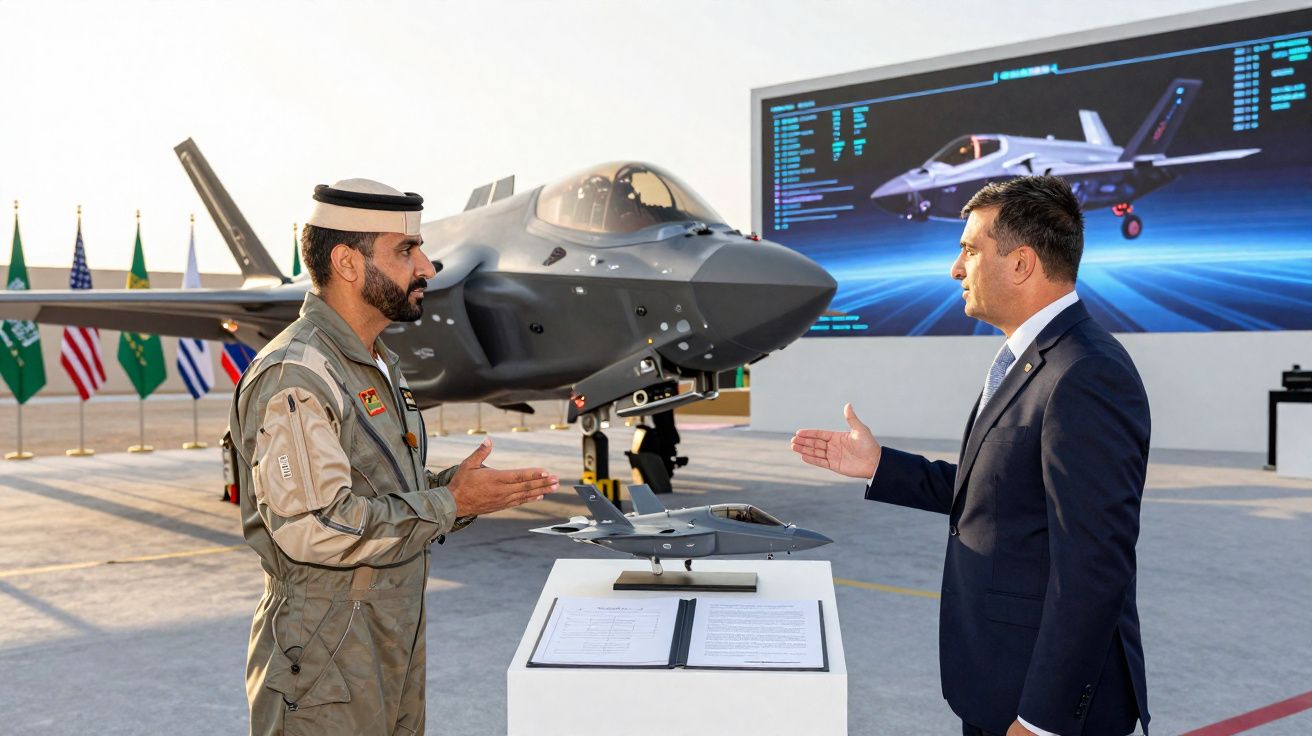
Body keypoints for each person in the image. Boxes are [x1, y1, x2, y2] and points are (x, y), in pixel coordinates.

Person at [791, 176, 1150, 736]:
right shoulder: (1032, 360)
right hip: (997, 685)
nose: (956, 269)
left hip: (1041, 708)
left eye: (969, 250)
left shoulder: (1085, 373)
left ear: (1022, 263)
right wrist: (881, 467)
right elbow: (1003, 488)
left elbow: (1093, 568)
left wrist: (1041, 720)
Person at [228, 178, 559, 735]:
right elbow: (316, 524)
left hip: (384, 636)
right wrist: (448, 503)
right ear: (348, 264)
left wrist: (459, 491)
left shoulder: (373, 364)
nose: (427, 267)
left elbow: (373, 488)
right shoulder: (300, 373)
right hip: (326, 654)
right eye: (406, 250)